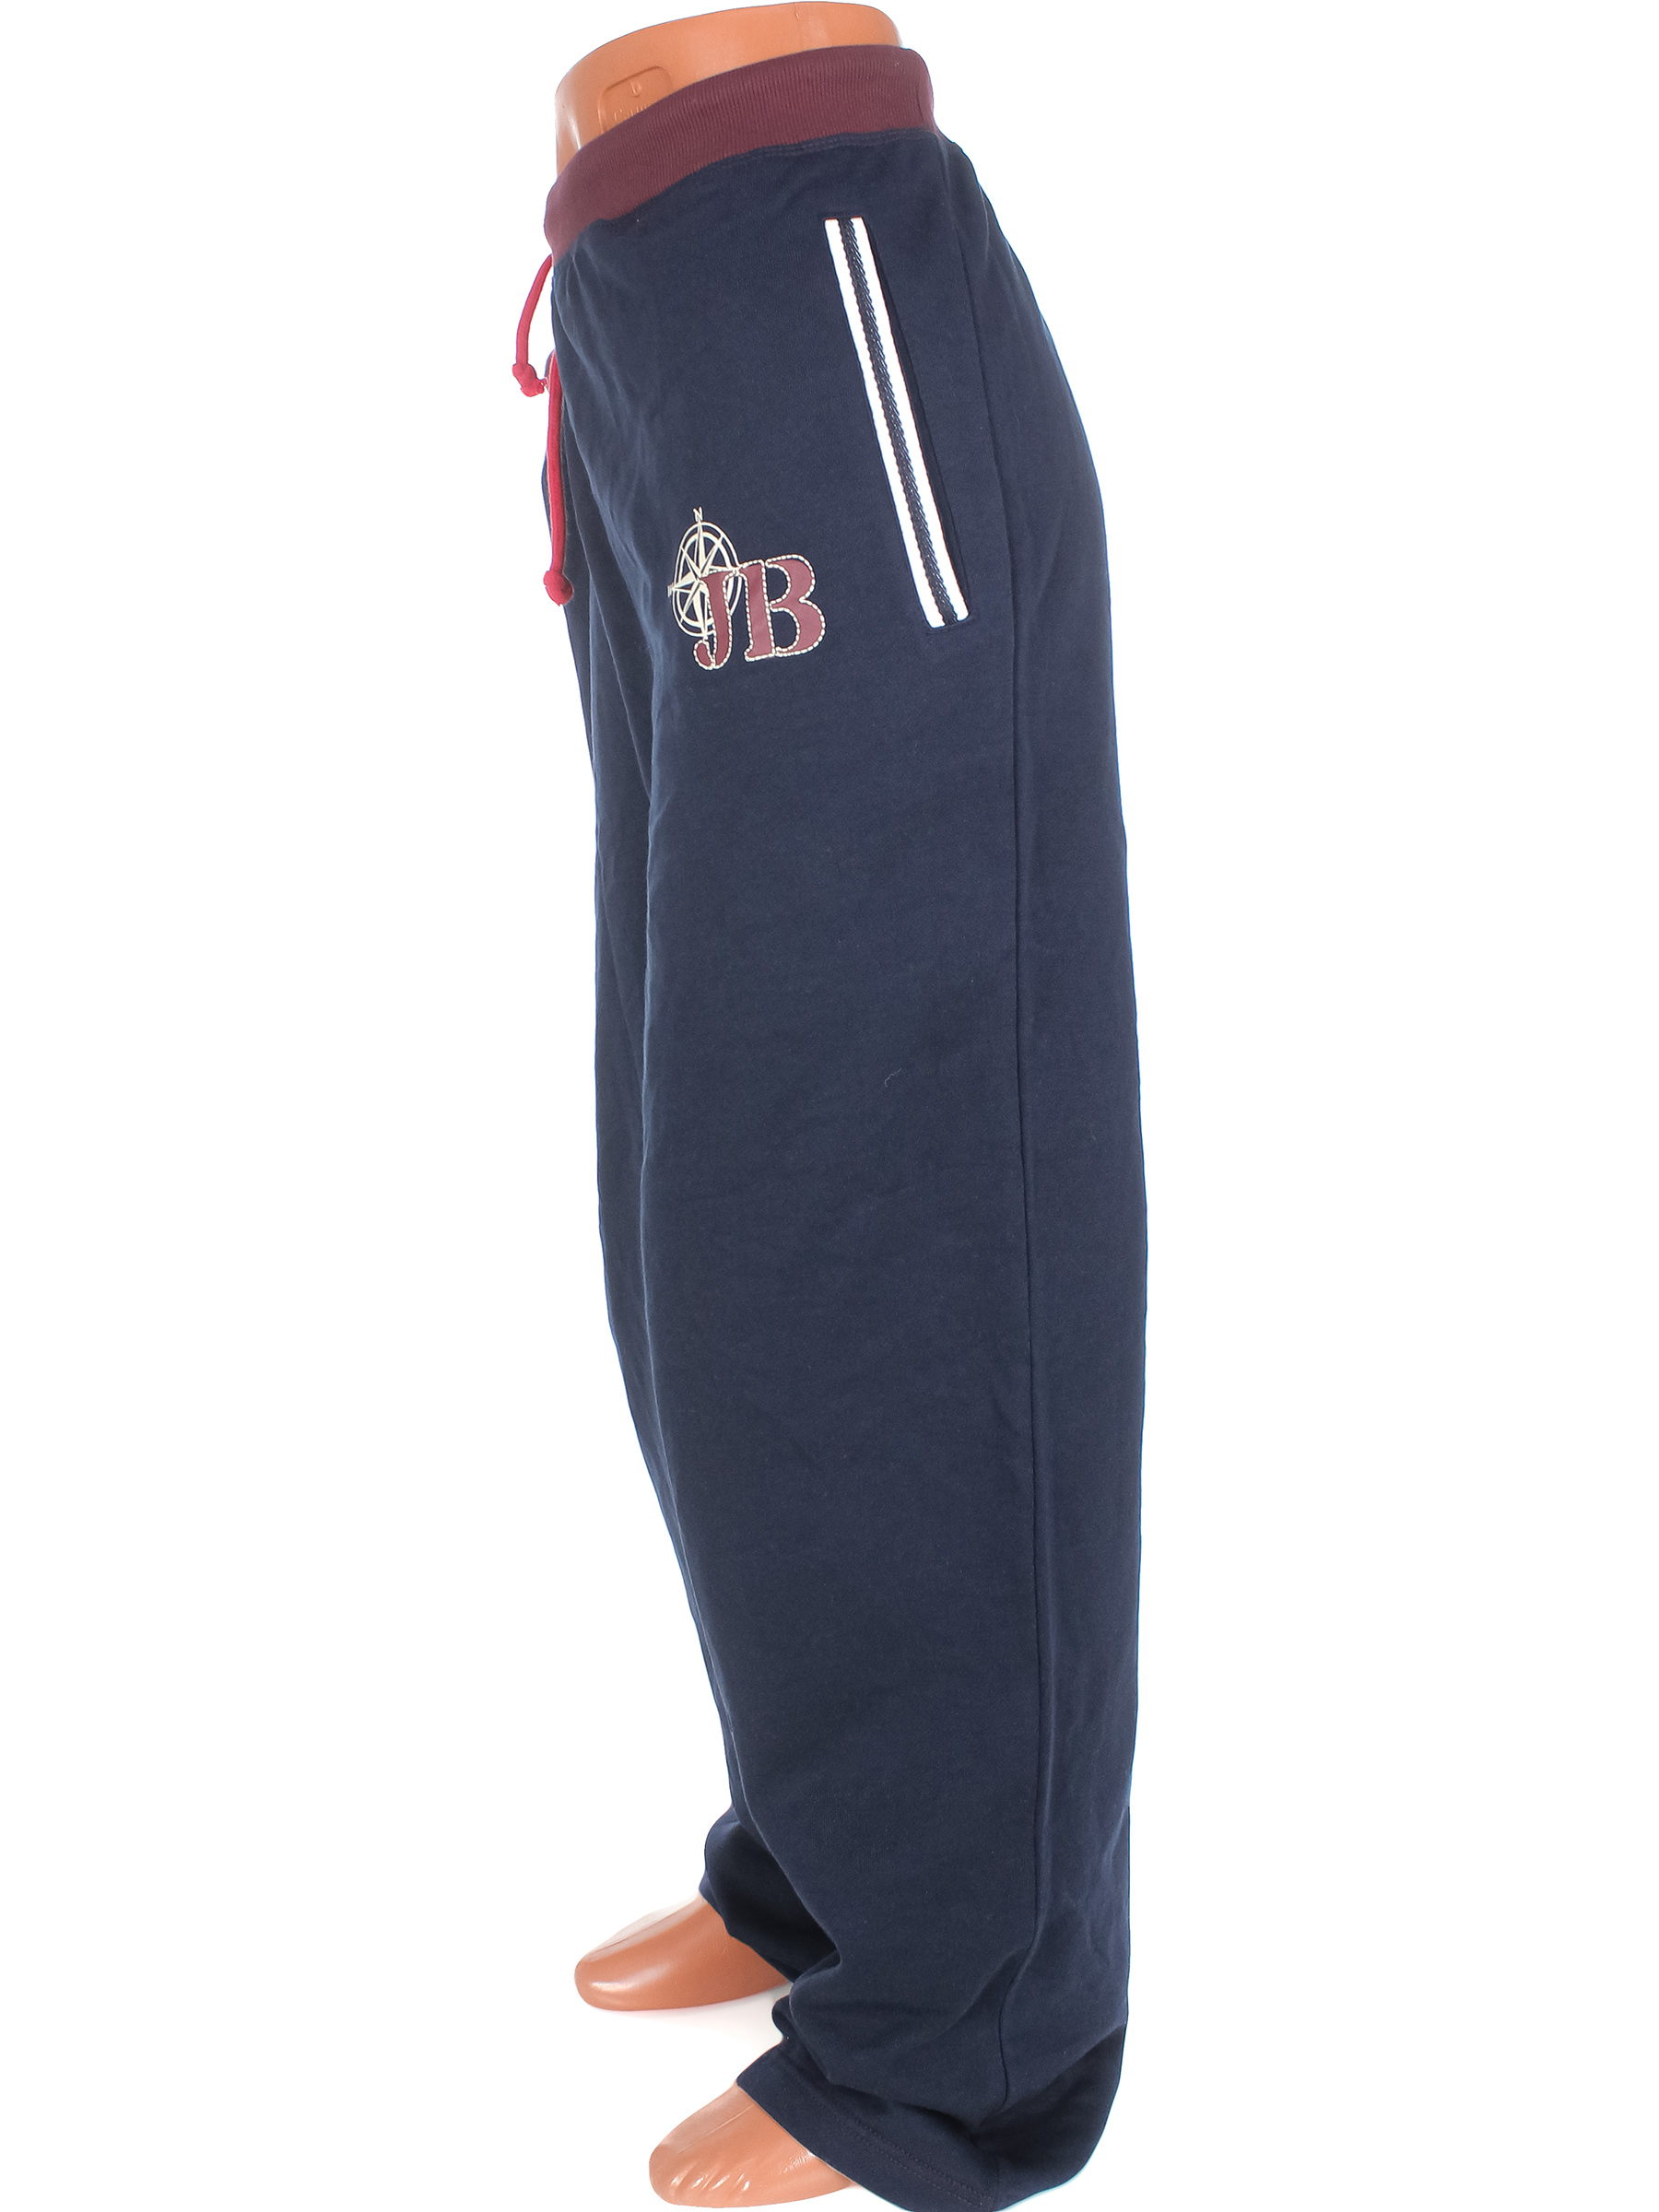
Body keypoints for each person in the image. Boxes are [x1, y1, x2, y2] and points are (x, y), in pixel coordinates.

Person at [514, 10, 1147, 2204]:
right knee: (711, 1206)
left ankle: (976, 2025)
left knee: (903, 1188)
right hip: (654, 315)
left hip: (821, 292)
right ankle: (836, 1861)